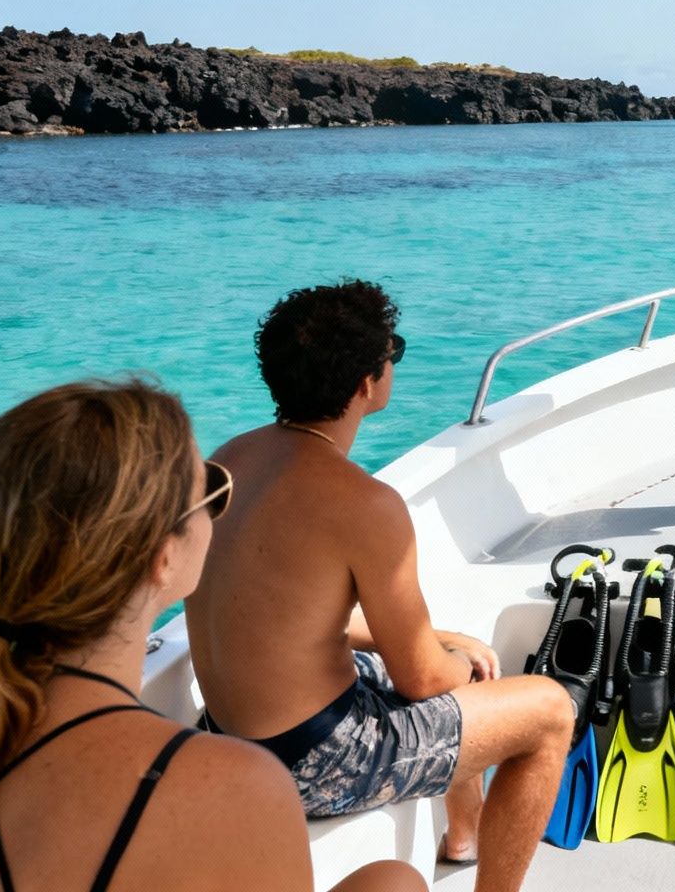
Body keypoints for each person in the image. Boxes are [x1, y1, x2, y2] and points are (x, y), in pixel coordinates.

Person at [0, 378, 420, 892]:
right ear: (161, 558)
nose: (217, 504)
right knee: (395, 884)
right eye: (207, 491)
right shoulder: (226, 784)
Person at [187, 280, 570, 890]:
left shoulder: (228, 461)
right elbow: (424, 680)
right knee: (546, 710)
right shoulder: (366, 505)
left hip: (226, 735)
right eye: (392, 352)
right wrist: (460, 668)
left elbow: (291, 617)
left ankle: (464, 832)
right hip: (313, 761)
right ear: (367, 383)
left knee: (441, 661)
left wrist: (445, 642)